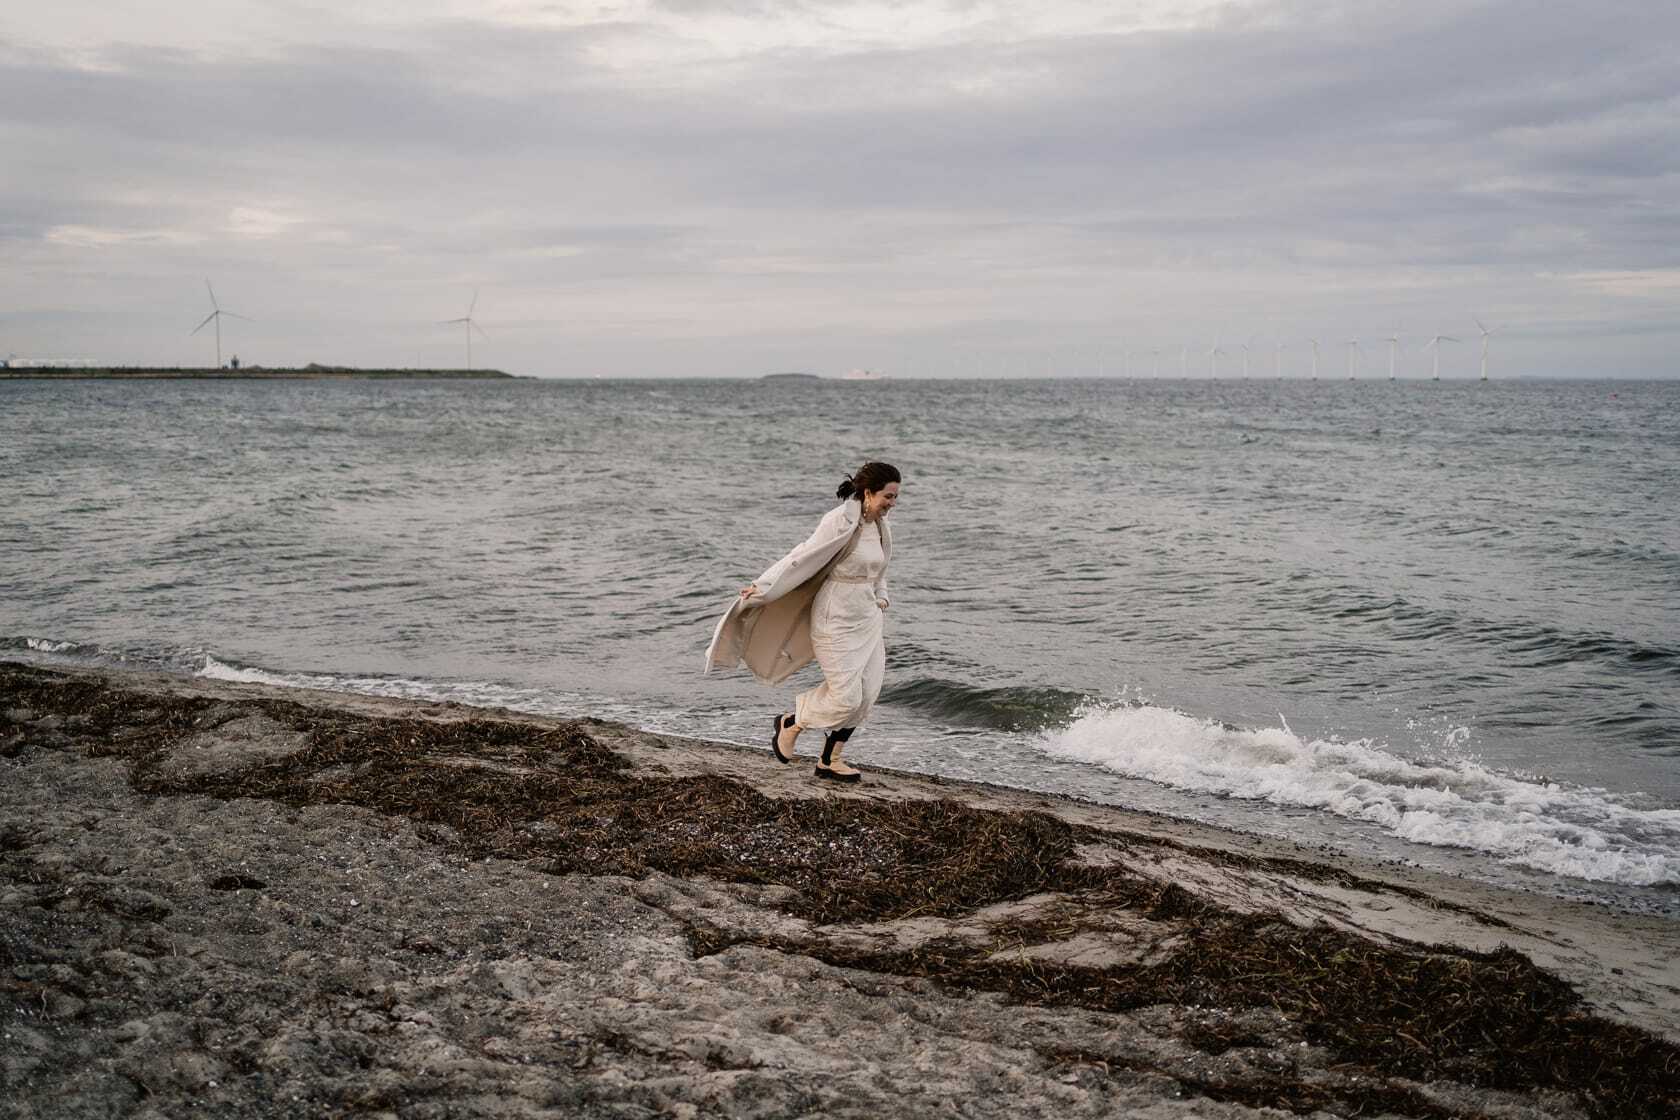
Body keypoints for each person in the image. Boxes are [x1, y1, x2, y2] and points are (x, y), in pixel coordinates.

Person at [704, 462, 900, 783]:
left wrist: (881, 598)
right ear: (868, 493)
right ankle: (791, 722)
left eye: (895, 498)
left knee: (866, 695)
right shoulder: (839, 521)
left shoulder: (881, 527)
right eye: (888, 497)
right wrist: (764, 585)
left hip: (867, 618)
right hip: (834, 616)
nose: (892, 504)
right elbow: (802, 555)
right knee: (846, 696)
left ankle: (830, 759)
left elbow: (880, 571)